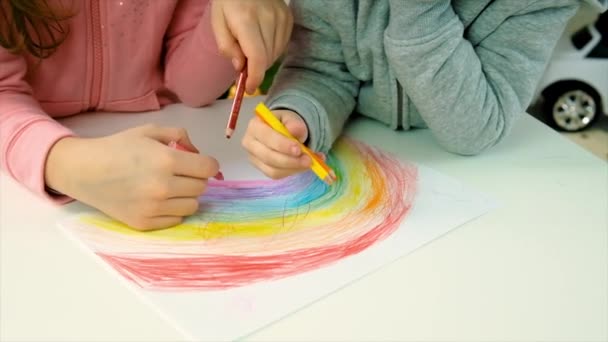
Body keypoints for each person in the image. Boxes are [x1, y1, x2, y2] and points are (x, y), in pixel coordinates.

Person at [0, 0, 293, 230]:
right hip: (25, 186)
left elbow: (192, 86)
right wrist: (67, 163)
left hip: (165, 125)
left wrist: (230, 21)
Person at [242, 0, 607, 180]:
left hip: (484, 185)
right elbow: (320, 69)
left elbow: (476, 129)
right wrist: (299, 115)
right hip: (367, 161)